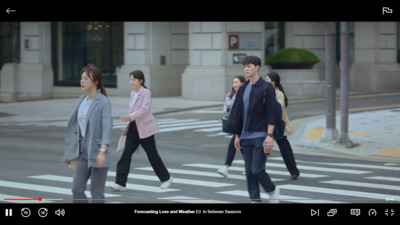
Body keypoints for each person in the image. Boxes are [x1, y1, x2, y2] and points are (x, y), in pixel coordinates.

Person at [225, 55, 280, 203]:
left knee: (257, 169)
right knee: (249, 171)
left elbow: (271, 113)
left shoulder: (266, 88)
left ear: (257, 68)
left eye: (249, 66)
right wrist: (237, 135)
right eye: (244, 66)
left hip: (261, 135)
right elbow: (239, 114)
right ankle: (255, 198)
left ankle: (272, 189)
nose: (246, 69)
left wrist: (269, 135)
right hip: (245, 136)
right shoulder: (243, 88)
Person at [110, 70, 173, 191]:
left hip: (145, 128)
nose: (131, 82)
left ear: (141, 81)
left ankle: (166, 178)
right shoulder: (132, 93)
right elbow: (135, 110)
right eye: (130, 79)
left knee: (152, 155)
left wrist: (130, 116)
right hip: (134, 128)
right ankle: (120, 183)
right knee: (126, 154)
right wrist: (131, 114)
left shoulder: (146, 92)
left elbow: (144, 110)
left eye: (134, 79)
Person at [63, 65, 113, 203]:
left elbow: (107, 128)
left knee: (96, 194)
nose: (82, 81)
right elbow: (75, 128)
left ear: (96, 81)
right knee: (77, 189)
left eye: (86, 78)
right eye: (81, 78)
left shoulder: (103, 102)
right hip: (82, 152)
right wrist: (71, 150)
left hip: (97, 151)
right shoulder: (81, 100)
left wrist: (103, 151)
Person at [266, 72, 300, 180]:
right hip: (267, 125)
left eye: (267, 80)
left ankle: (294, 171)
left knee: (285, 150)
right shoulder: (266, 92)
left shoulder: (279, 94)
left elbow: (278, 109)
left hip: (279, 126)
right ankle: (255, 170)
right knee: (261, 149)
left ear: (273, 82)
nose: (265, 81)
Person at [217, 75, 246, 177]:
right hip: (237, 125)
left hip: (244, 125)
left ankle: (226, 167)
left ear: (243, 83)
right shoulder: (230, 95)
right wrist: (228, 106)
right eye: (233, 82)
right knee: (238, 146)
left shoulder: (246, 95)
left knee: (235, 145)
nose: (234, 85)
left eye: (236, 82)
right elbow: (226, 110)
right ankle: (248, 165)